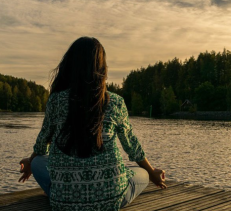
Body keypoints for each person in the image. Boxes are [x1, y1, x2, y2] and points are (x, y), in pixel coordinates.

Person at [19, 37, 166, 211]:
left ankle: (57, 191)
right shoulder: (115, 102)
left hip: (64, 203)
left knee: (37, 163)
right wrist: (152, 172)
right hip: (111, 201)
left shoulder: (56, 100)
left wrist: (30, 161)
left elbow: (43, 141)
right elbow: (131, 145)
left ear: (70, 66)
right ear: (102, 68)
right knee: (141, 173)